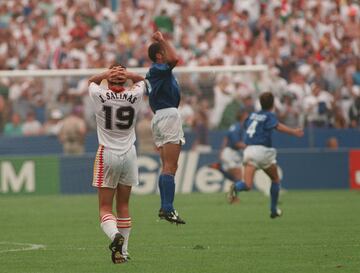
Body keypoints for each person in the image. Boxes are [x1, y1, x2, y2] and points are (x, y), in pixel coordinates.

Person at [88, 65, 145, 263]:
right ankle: (124, 251)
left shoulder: (99, 95)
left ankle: (115, 237)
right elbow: (141, 80)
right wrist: (127, 74)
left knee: (105, 207)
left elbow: (92, 81)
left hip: (108, 152)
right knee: (123, 205)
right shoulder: (135, 95)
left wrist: (105, 74)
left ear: (108, 79)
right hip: (129, 153)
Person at [228, 92, 304, 219]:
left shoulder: (252, 115)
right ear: (273, 104)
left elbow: (246, 126)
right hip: (263, 152)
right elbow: (277, 126)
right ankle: (273, 210)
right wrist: (293, 131)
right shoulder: (269, 115)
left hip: (249, 150)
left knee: (247, 185)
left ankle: (235, 187)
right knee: (275, 179)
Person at [145, 31, 186, 224]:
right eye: (164, 51)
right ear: (159, 55)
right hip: (168, 115)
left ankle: (165, 207)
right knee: (171, 166)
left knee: (167, 166)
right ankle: (168, 208)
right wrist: (162, 40)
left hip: (160, 117)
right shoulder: (159, 69)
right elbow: (175, 58)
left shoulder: (154, 73)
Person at [209, 109, 248, 204]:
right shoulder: (237, 127)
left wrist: (221, 151)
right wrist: (250, 146)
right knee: (238, 176)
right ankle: (233, 197)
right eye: (247, 116)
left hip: (232, 153)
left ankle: (220, 168)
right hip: (230, 153)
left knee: (237, 177)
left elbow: (226, 138)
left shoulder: (238, 127)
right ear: (242, 116)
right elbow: (236, 143)